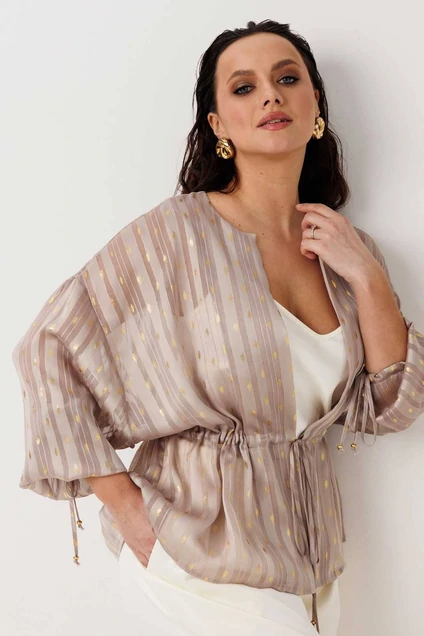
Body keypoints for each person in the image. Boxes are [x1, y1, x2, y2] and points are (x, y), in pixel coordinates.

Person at [11, 19, 424, 636]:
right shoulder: (175, 234)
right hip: (193, 555)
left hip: (309, 566)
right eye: (244, 87)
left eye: (288, 79)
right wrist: (127, 509)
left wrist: (367, 278)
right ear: (218, 124)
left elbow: (386, 406)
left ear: (316, 105)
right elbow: (46, 348)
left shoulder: (346, 249)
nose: (271, 95)